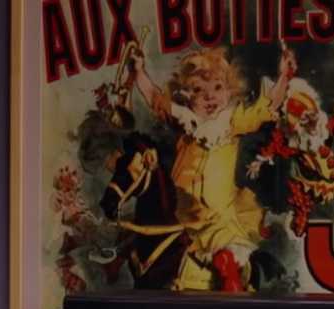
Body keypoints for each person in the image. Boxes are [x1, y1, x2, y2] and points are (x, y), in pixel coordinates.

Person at [127, 42, 297, 292]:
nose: (210, 97)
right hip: (180, 212)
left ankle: (233, 296)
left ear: (228, 92)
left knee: (226, 259)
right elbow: (154, 97)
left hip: (217, 218)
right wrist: (139, 71)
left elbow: (269, 106)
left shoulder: (231, 123)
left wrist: (284, 76)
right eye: (199, 90)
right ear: (187, 96)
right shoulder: (184, 122)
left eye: (217, 87)